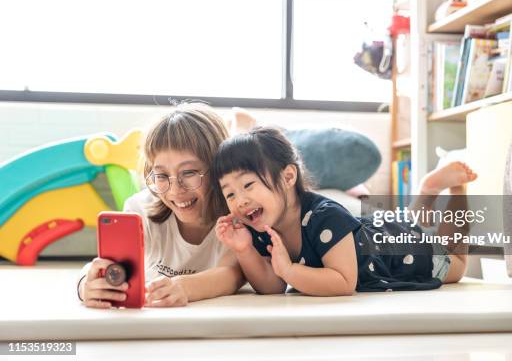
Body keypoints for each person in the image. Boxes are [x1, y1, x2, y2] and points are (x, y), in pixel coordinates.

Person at [212, 126, 477, 296]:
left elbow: (343, 281)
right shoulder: (259, 225)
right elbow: (272, 287)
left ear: (288, 177)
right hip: (376, 233)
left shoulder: (325, 217)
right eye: (230, 193)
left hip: (401, 254)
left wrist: (290, 271)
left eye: (248, 185)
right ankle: (426, 191)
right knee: (407, 223)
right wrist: (245, 250)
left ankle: (456, 191)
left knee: (455, 263)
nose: (241, 200)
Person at [77, 102, 245, 308]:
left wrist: (184, 287)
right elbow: (105, 266)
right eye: (162, 175)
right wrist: (85, 285)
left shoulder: (236, 214)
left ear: (217, 169)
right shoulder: (139, 210)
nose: (175, 190)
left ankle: (242, 124)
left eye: (189, 173)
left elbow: (232, 274)